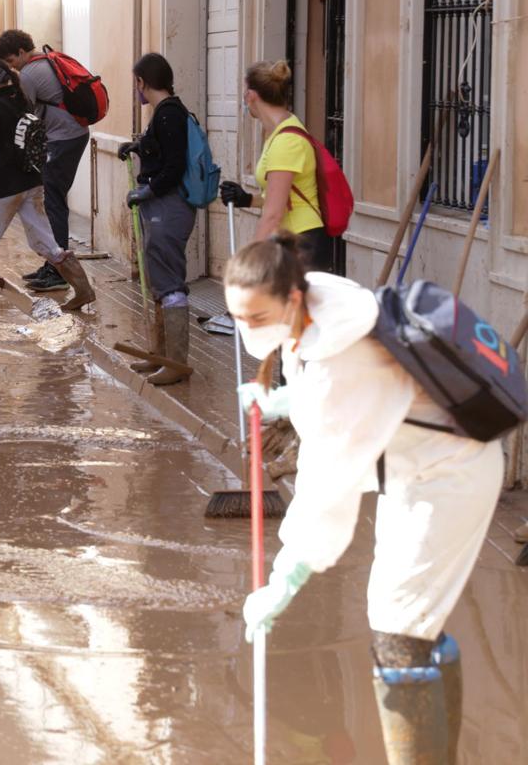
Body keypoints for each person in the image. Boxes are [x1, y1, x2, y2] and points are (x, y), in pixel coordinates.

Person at [226, 233, 502, 765]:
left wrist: (286, 580)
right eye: (238, 317)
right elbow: (343, 387)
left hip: (450, 473)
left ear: (293, 299)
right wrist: (284, 396)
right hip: (416, 464)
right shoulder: (322, 298)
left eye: (257, 318)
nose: (246, 331)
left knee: (400, 628)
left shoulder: (339, 362)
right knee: (411, 618)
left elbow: (327, 489)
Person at [0, 58, 94, 326]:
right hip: (32, 182)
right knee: (44, 241)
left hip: (4, 187)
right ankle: (84, 290)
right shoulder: (24, 102)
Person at [113, 53, 195, 386]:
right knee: (159, 277)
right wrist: (137, 147)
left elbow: (174, 168)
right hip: (161, 207)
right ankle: (159, 354)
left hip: (169, 207)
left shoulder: (169, 115)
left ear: (142, 82)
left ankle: (175, 362)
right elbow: (159, 150)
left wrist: (145, 192)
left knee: (170, 281)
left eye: (136, 83)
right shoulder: (164, 113)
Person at [0, 29, 91, 293]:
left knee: (53, 202)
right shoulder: (46, 60)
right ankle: (52, 265)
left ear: (22, 53)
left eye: (11, 61)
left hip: (62, 139)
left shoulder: (29, 75)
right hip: (72, 135)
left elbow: (22, 113)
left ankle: (59, 272)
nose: (11, 68)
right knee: (52, 200)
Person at [220, 60, 333, 273]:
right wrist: (248, 199)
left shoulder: (287, 141)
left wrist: (246, 269)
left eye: (244, 93)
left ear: (251, 96)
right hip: (294, 242)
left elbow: (273, 215)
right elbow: (283, 196)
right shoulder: (279, 134)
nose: (244, 99)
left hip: (302, 244)